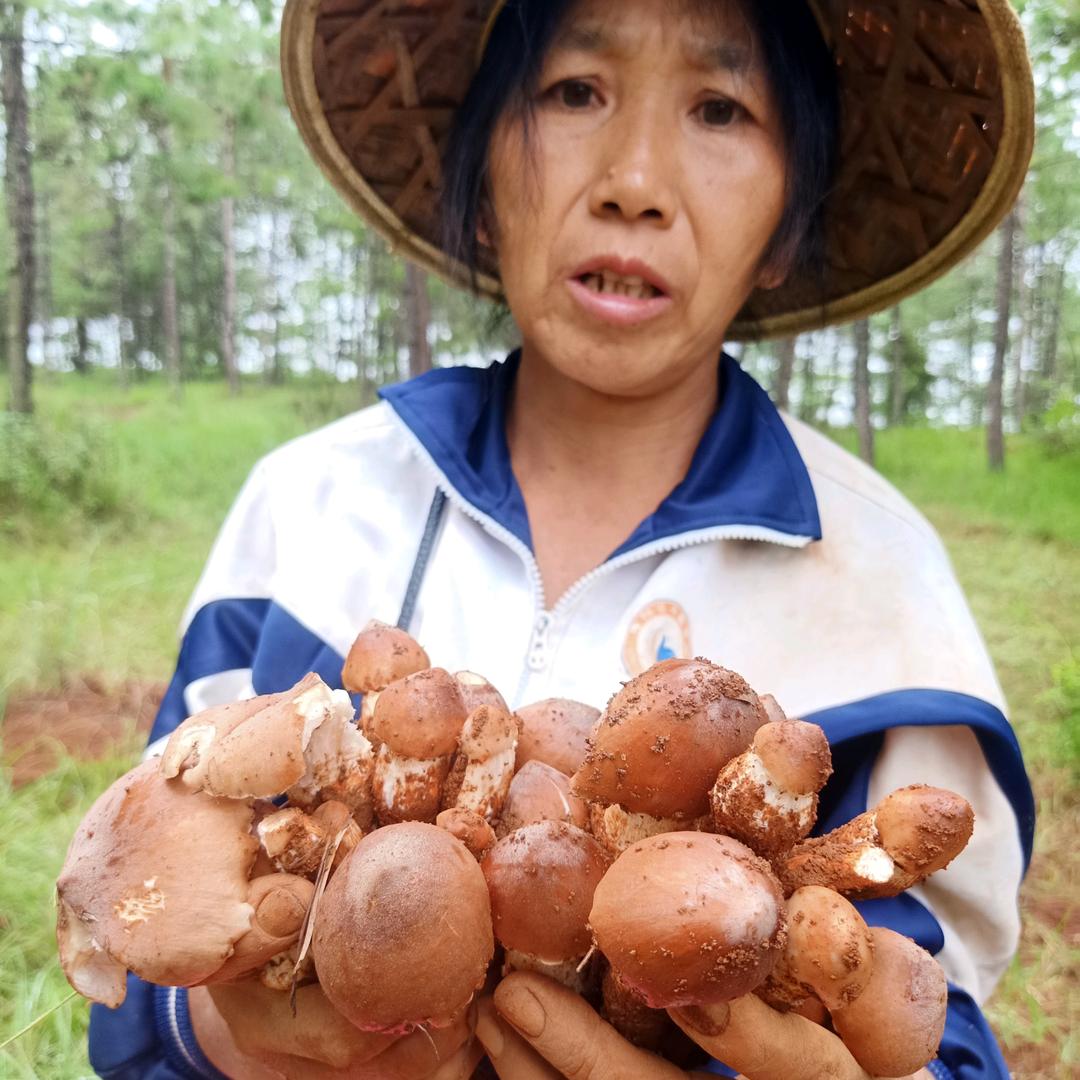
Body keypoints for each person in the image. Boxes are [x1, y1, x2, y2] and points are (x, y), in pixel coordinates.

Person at [87, 0, 1037, 1077]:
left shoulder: (879, 579)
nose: (634, 180)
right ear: (483, 183)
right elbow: (138, 959)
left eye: (720, 108)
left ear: (783, 227)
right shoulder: (308, 509)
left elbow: (933, 1019)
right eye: (574, 91)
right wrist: (219, 1033)